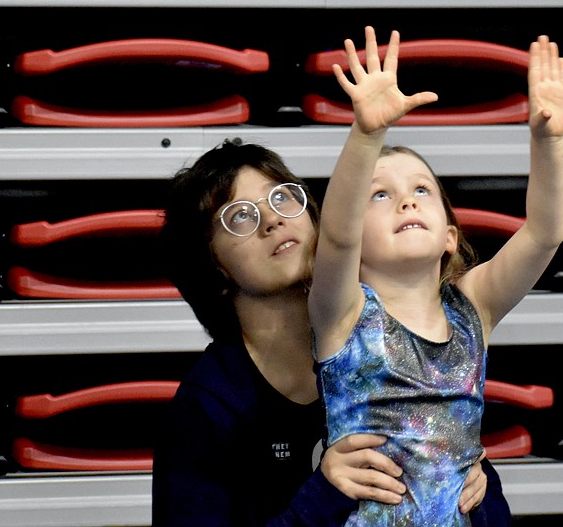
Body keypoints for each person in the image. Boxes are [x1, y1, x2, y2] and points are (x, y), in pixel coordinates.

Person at [151, 138, 510, 525]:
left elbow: (473, 502)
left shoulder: (393, 341)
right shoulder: (207, 408)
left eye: (283, 197)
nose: (273, 219)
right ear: (214, 268)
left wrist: (472, 483)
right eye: (239, 216)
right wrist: (322, 495)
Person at [309, 26, 563, 525]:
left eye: (422, 190)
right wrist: (366, 135)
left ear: (450, 236)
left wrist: (548, 140)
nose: (406, 199)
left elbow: (544, 233)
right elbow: (338, 239)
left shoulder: (473, 306)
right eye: (379, 195)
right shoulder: (342, 312)